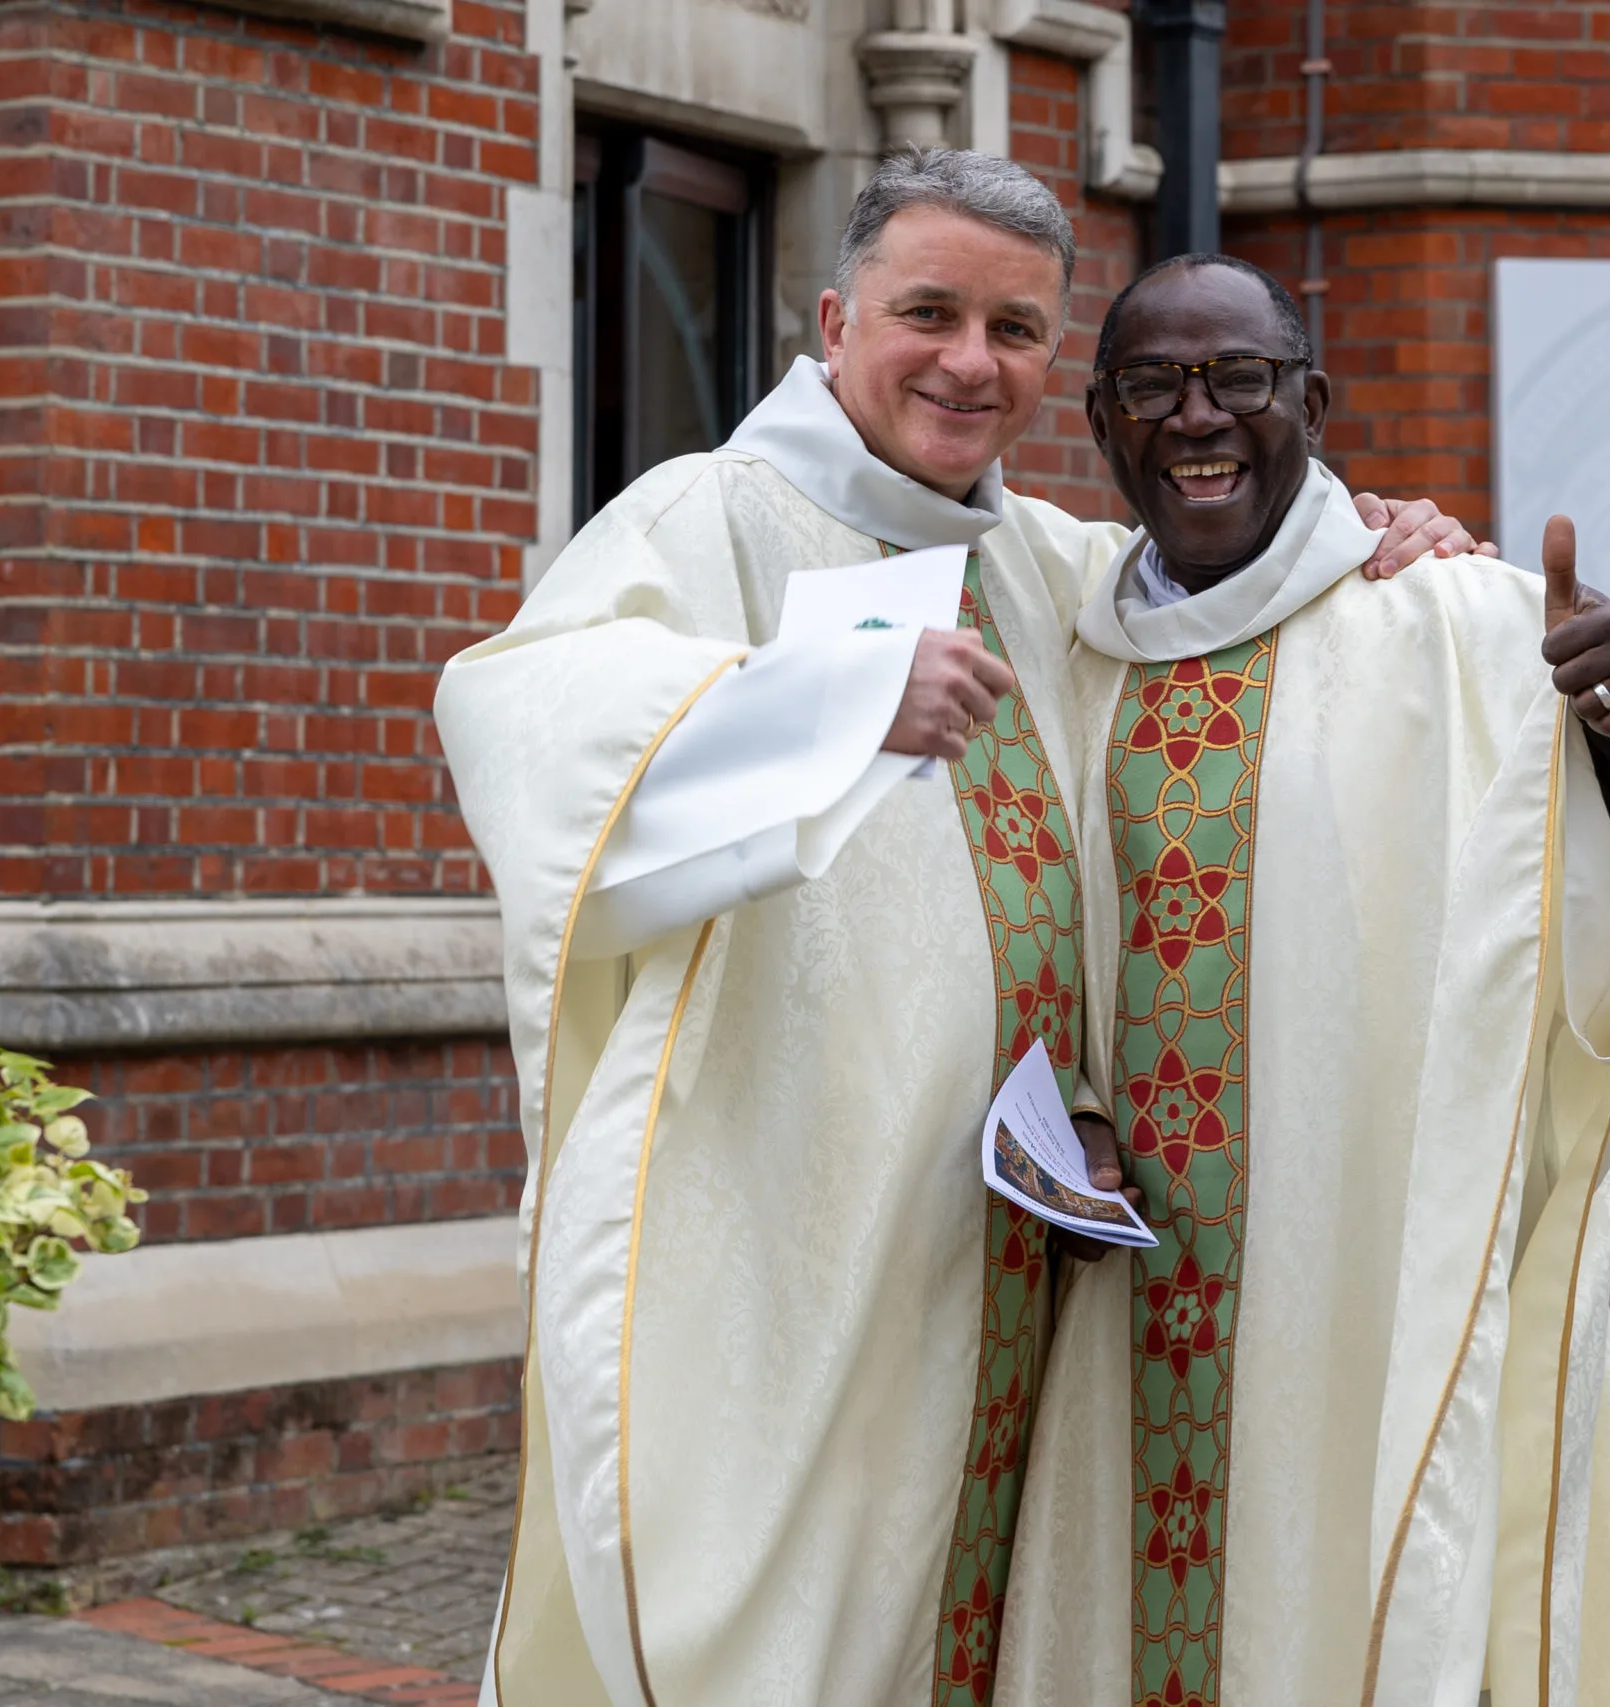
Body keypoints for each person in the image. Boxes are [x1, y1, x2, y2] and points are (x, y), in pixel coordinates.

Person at [433, 149, 1482, 1706]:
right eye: (929, 313)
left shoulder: (1043, 563)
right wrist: (828, 701)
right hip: (793, 1249)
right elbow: (514, 712)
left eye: (1016, 329)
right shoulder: (714, 514)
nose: (970, 363)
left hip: (1002, 1242)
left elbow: (1230, 602)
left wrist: (1383, 540)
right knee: (803, 1638)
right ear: (835, 320)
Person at [988, 255, 1610, 1707]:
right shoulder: (1070, 647)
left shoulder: (1448, 617)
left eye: (1242, 378)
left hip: (1364, 1265)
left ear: (1316, 404)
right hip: (1133, 1280)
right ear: (1098, 422)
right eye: (1153, 384)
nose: (1198, 416)